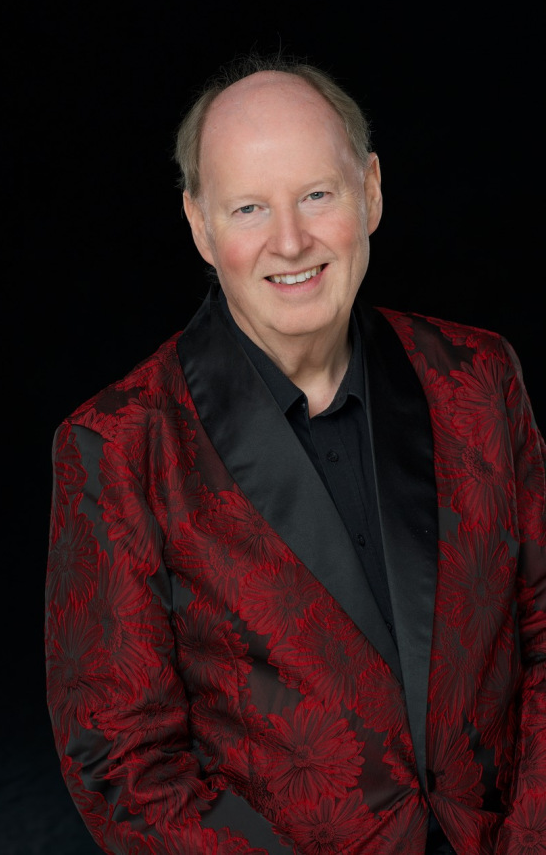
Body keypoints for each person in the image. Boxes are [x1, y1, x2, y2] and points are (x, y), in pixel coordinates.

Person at [44, 53, 546, 855]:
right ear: (200, 226)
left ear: (370, 191)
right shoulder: (118, 445)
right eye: (248, 208)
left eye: (317, 195)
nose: (289, 240)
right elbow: (124, 764)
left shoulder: (480, 378)